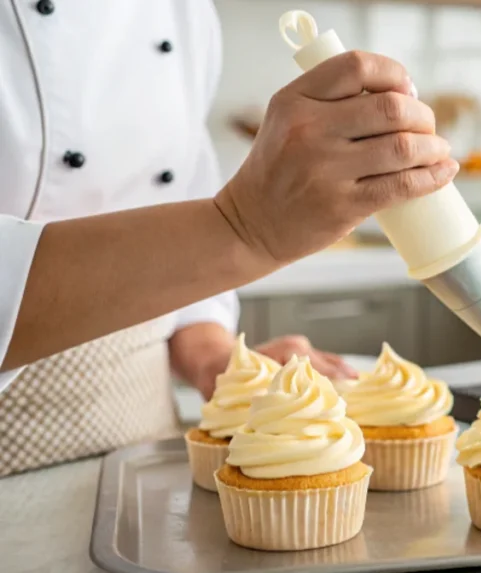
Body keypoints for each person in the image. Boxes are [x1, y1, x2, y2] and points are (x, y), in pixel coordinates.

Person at [0, 1, 457, 477]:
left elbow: (180, 205)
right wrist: (245, 228)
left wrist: (216, 359)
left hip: (141, 452)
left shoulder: (184, 10)